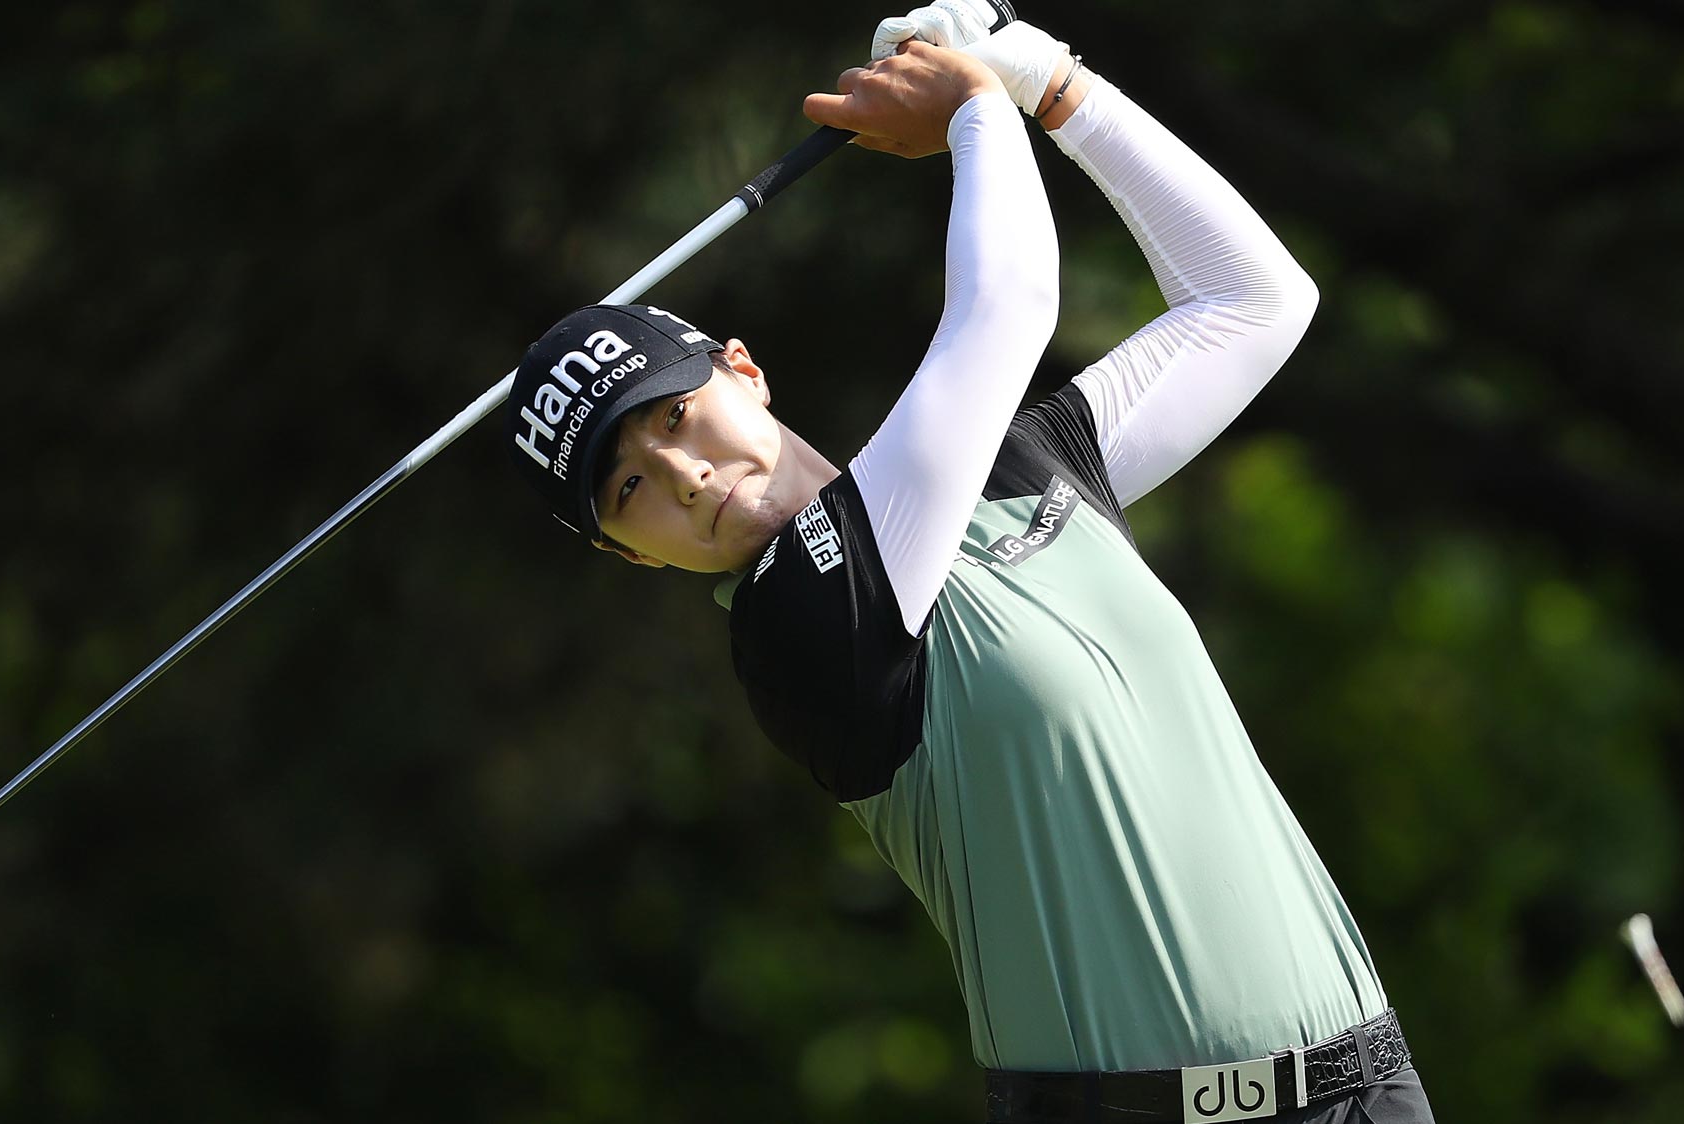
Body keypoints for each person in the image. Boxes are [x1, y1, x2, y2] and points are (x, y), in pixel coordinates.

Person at [504, 7, 1436, 1122]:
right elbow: (1002, 308)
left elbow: (1252, 300)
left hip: (1365, 1087)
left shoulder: (1019, 466)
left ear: (739, 369)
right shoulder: (801, 623)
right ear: (626, 551)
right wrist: (975, 109)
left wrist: (1050, 83)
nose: (680, 474)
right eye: (627, 489)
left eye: (669, 415)